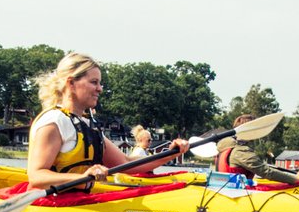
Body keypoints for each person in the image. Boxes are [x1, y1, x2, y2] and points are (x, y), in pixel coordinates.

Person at [27, 53, 188, 191]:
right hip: (51, 204)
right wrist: (83, 177)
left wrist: (171, 153)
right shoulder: (54, 122)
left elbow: (127, 163)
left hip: (80, 201)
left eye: (100, 83)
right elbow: (36, 175)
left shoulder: (87, 125)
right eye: (94, 82)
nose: (100, 89)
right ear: (71, 83)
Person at [214, 114, 299, 185]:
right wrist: (296, 178)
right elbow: (266, 172)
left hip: (228, 189)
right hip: (236, 194)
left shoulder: (225, 147)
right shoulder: (241, 151)